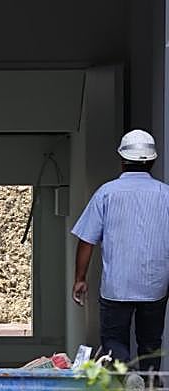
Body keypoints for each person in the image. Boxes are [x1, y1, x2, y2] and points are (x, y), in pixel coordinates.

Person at [71, 129, 169, 377]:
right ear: (153, 160)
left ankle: (125, 381)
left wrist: (80, 279)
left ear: (122, 159)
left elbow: (86, 240)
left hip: (117, 287)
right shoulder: (165, 194)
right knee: (150, 343)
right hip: (155, 286)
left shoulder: (107, 193)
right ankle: (148, 388)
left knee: (114, 341)